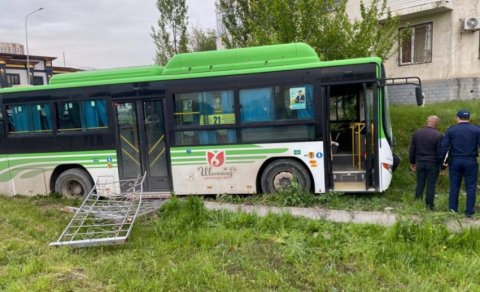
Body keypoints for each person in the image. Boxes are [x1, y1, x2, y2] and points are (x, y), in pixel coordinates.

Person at [440, 109, 480, 217]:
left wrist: (442, 164)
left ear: (457, 118)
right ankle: (469, 213)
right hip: (471, 161)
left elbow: (444, 148)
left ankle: (453, 211)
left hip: (455, 161)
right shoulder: (477, 130)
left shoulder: (451, 130)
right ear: (469, 118)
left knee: (454, 186)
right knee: (471, 187)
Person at [409, 115, 443, 210]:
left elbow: (412, 149)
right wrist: (442, 166)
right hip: (432, 163)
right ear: (437, 124)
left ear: (427, 121)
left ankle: (417, 203)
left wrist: (412, 162)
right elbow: (440, 153)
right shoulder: (438, 135)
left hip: (420, 162)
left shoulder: (417, 133)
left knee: (420, 183)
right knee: (431, 185)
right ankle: (429, 206)